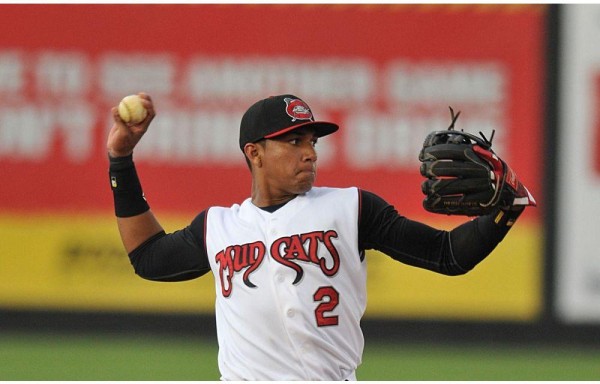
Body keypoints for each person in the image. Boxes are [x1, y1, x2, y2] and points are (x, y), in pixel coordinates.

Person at [107, 93, 532, 381]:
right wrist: (121, 159)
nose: (309, 152)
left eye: (311, 140)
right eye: (293, 141)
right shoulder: (218, 226)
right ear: (254, 153)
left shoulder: (351, 208)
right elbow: (149, 258)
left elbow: (447, 255)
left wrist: (506, 209)